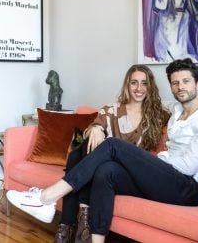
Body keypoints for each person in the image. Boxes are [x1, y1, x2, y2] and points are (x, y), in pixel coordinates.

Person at [7, 58, 198, 243]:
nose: (181, 87)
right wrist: (95, 126)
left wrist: (149, 164)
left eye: (186, 81)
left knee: (113, 146)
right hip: (166, 180)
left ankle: (46, 197)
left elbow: (187, 167)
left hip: (188, 189)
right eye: (175, 83)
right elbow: (149, 103)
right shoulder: (176, 111)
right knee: (107, 171)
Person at [52, 64, 170, 243]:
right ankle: (76, 224)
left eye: (144, 83)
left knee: (79, 156)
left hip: (130, 174)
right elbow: (92, 128)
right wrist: (96, 128)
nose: (139, 88)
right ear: (127, 85)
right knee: (82, 151)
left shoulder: (159, 115)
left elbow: (183, 114)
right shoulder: (111, 110)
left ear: (150, 86)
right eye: (134, 83)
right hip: (104, 171)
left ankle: (72, 224)